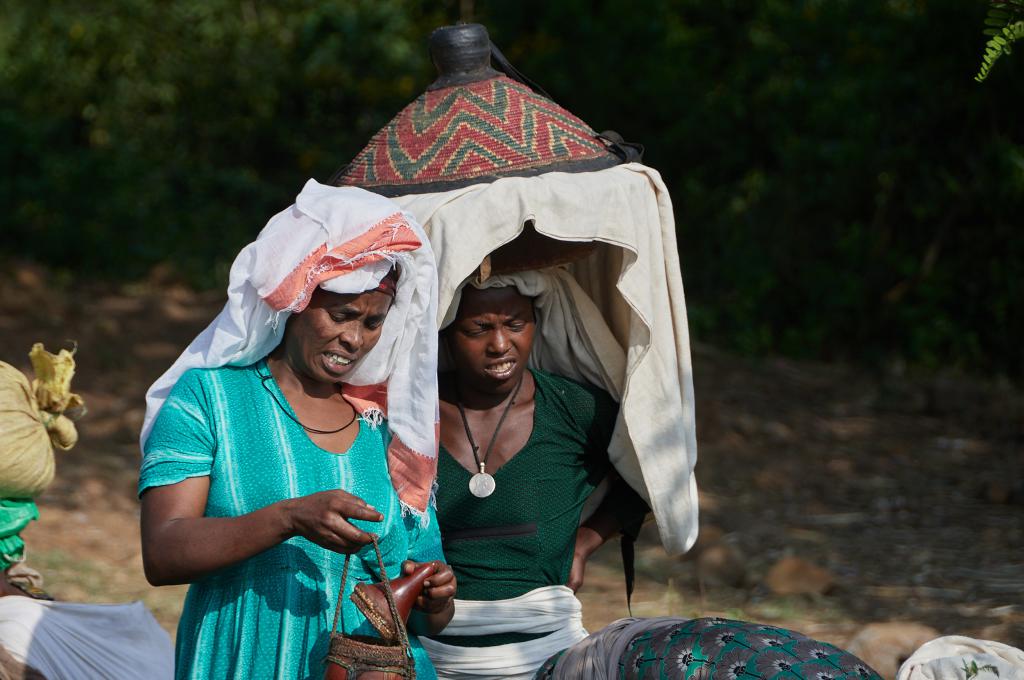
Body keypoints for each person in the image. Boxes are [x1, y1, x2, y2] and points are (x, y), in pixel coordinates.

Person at [139, 180, 454, 679]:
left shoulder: (386, 430)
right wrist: (286, 518)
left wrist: (435, 596)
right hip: (242, 661)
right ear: (295, 300)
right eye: (342, 314)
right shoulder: (211, 398)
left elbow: (429, 603)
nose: (354, 339)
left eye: (373, 323)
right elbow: (162, 552)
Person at [420, 274, 649, 679]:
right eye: (478, 329)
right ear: (447, 334)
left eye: (515, 324)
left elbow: (645, 477)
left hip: (550, 656)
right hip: (432, 658)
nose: (500, 345)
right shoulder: (415, 413)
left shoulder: (573, 409)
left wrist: (584, 543)